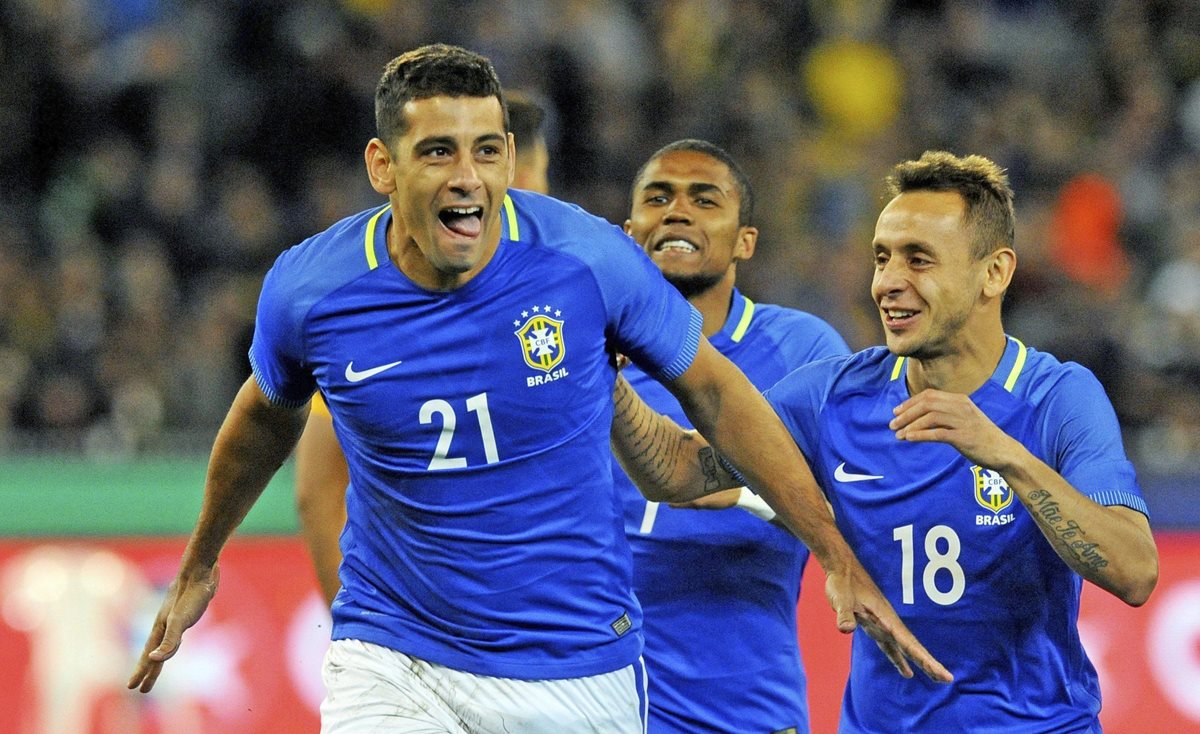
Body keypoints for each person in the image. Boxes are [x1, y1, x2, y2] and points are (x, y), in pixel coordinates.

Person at [127, 44, 948, 733]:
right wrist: (202, 561)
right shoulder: (314, 291)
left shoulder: (585, 263)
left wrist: (834, 552)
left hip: (572, 664)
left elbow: (718, 396)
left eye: (487, 151)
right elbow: (263, 416)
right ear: (383, 166)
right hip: (395, 652)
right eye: (438, 152)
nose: (468, 177)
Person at [610, 150, 1159, 732]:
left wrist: (1006, 455)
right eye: (881, 258)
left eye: (918, 259)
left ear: (994, 273)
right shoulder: (833, 397)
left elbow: (1134, 573)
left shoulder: (1057, 397)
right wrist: (605, 375)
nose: (888, 283)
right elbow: (679, 473)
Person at [616, 139, 848, 733]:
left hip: (743, 709)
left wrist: (747, 491)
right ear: (628, 232)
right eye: (658, 198)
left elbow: (857, 512)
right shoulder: (581, 354)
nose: (677, 211)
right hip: (597, 701)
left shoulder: (803, 351)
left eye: (704, 200)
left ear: (746, 240)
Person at [294, 90, 553, 608]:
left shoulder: (578, 291)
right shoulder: (373, 310)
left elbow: (314, 489)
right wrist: (365, 622)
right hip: (461, 615)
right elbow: (317, 486)